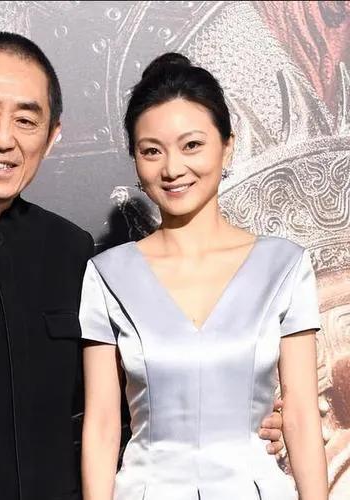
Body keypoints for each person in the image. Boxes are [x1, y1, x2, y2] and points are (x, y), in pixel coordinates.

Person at [0, 32, 284, 500]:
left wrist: (243, 418)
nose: (3, 139)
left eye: (26, 120)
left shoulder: (72, 252)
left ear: (52, 136)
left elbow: (126, 406)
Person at [79, 53, 328, 499]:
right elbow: (101, 425)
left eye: (191, 145)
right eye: (151, 151)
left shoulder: (284, 267)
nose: (172, 169)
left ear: (227, 145)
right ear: (134, 158)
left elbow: (301, 416)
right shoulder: (107, 276)